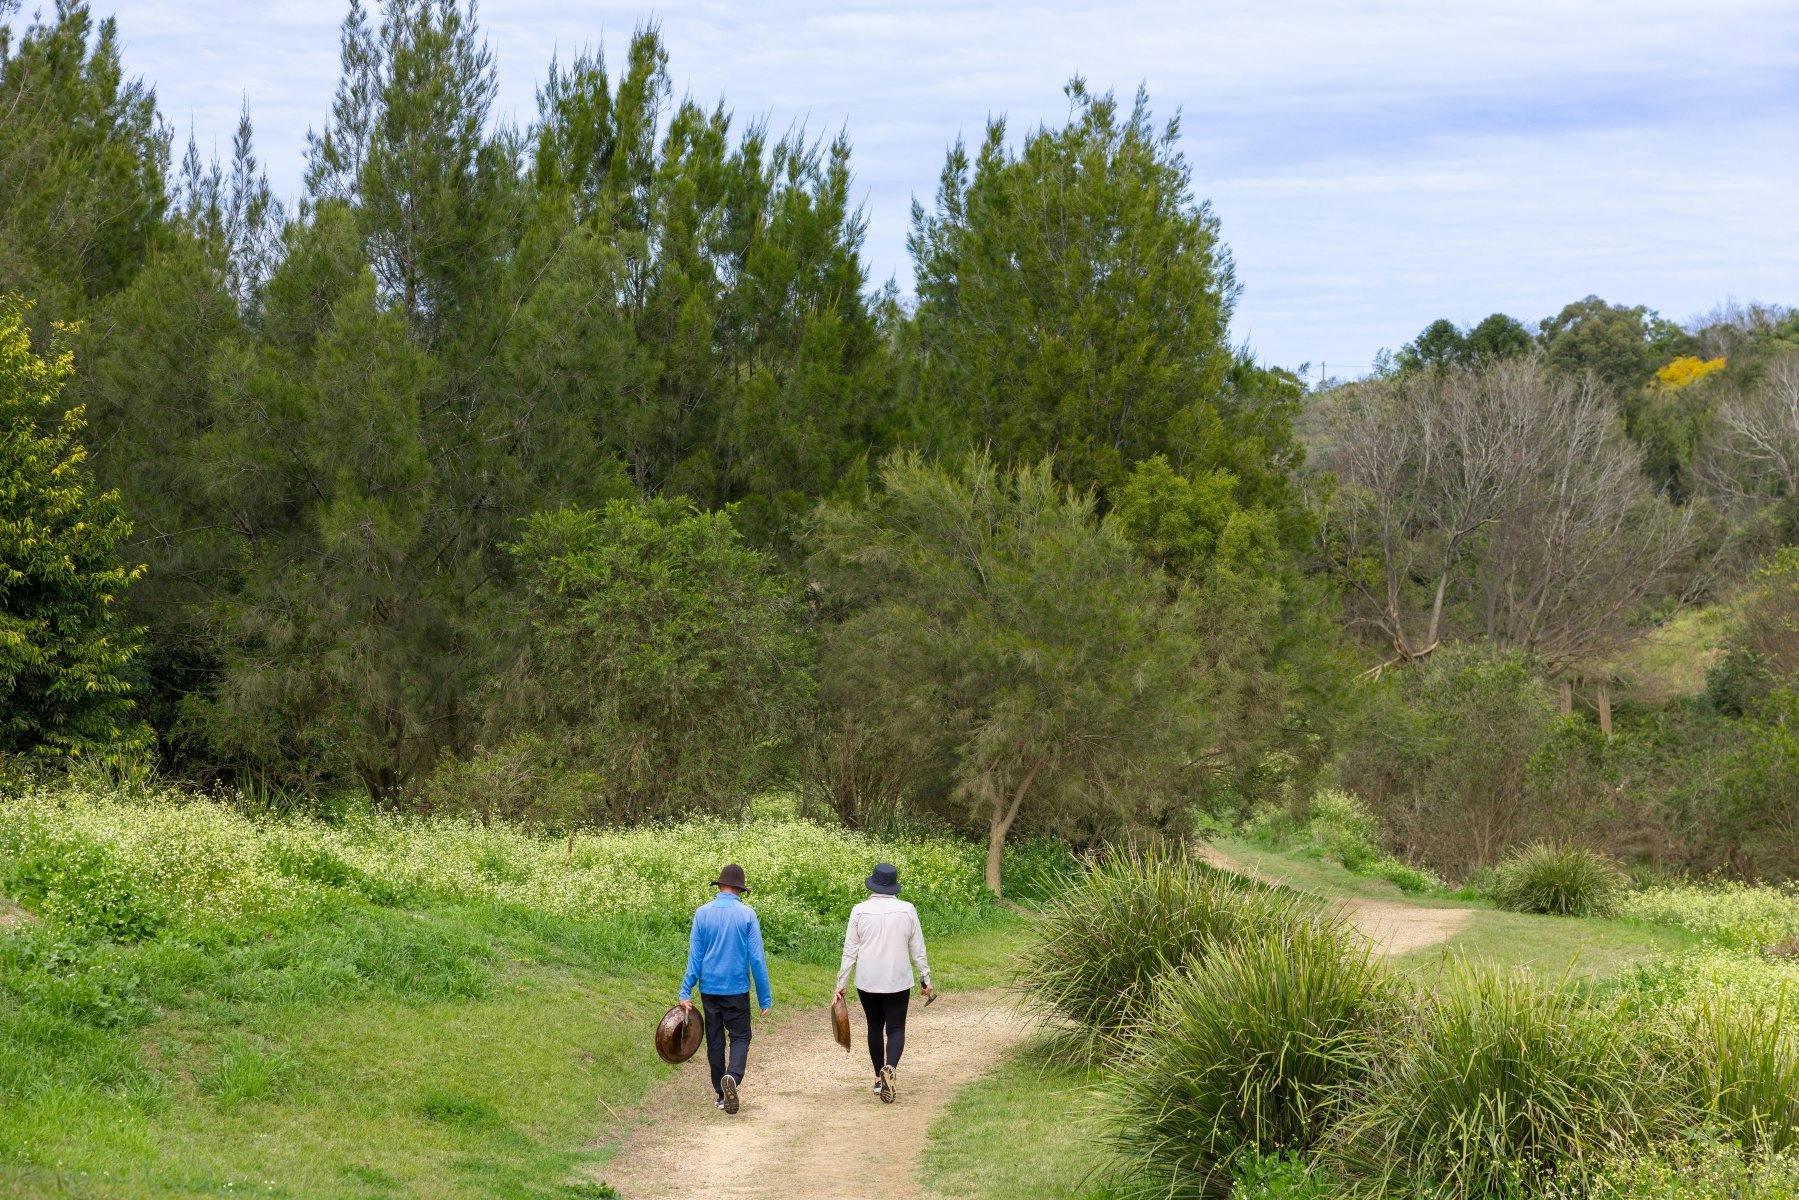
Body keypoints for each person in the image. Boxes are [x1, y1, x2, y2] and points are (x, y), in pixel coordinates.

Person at [834, 862, 932, 1104]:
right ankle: (890, 1067)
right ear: (894, 886)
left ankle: (879, 1079)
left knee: (874, 1027)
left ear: (873, 883)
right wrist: (925, 979)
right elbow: (917, 949)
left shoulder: (859, 910)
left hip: (868, 981)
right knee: (896, 1028)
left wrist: (841, 982)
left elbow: (850, 950)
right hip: (898, 980)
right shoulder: (907, 909)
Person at [678, 863, 772, 1114]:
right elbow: (757, 958)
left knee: (715, 1039)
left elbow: (695, 957)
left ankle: (721, 1094)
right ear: (739, 890)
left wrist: (685, 991)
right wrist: (765, 997)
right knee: (741, 1037)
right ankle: (733, 1076)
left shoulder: (702, 913)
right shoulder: (747, 915)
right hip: (736, 988)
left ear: (719, 886)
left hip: (709, 988)